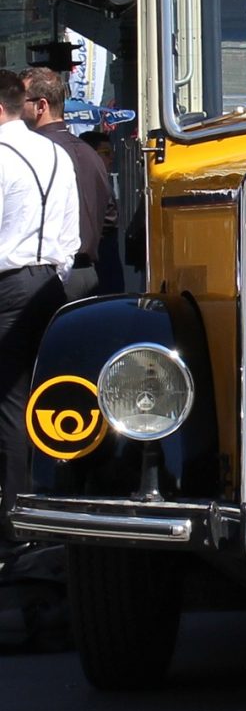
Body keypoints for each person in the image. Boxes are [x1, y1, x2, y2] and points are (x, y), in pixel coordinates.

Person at [0, 69, 79, 560]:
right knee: (39, 396)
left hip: (9, 283)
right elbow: (71, 226)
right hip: (51, 280)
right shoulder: (54, 152)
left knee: (8, 403)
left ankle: (14, 520)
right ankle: (41, 505)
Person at [19, 67, 111, 300]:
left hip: (52, 275)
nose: (16, 108)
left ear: (42, 106)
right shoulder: (91, 154)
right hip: (90, 274)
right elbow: (109, 215)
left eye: (21, 101)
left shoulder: (32, 154)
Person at [79, 130, 125, 294]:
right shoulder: (89, 184)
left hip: (108, 259)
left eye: (112, 153)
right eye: (105, 153)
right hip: (98, 262)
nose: (111, 158)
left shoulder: (101, 180)